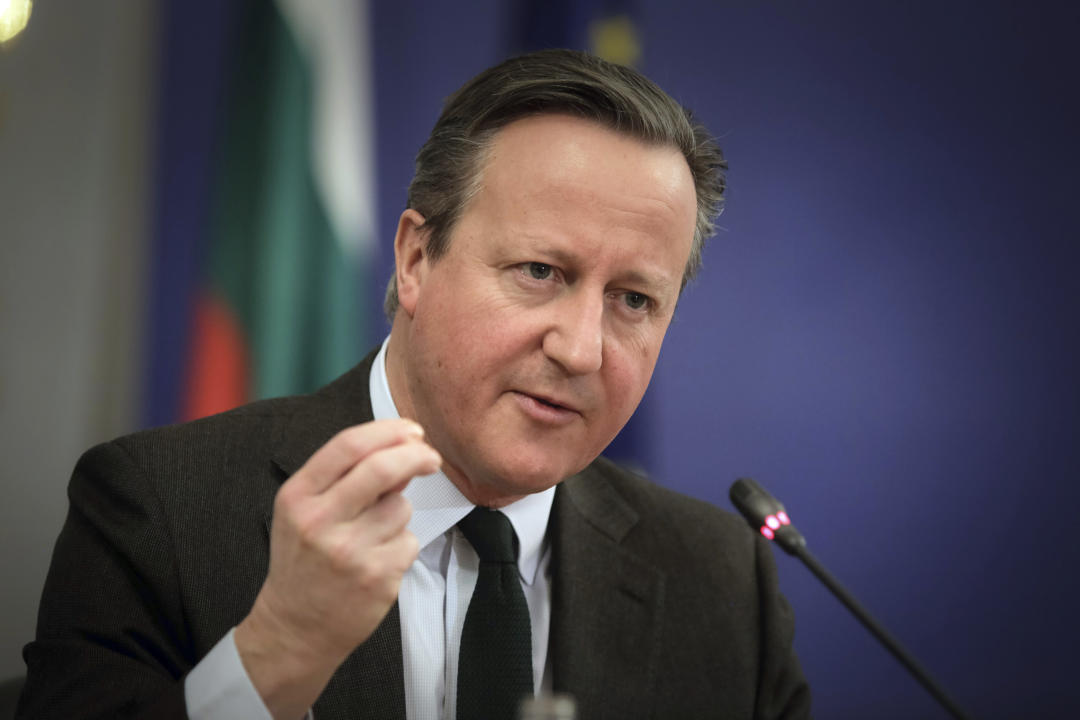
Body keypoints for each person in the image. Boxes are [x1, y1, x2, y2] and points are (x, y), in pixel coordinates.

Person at [18, 49, 810, 719]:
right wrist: (276, 653)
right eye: (540, 272)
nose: (580, 349)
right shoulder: (157, 510)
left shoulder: (721, 584)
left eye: (634, 300)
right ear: (415, 259)